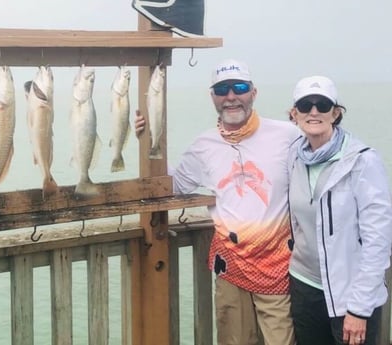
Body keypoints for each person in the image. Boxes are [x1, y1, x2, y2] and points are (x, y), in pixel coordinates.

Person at [135, 59, 298, 345]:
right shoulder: (203, 146)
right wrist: (148, 140)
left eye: (239, 87)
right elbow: (172, 186)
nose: (231, 96)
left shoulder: (288, 135)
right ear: (212, 97)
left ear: (253, 93)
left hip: (278, 271)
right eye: (222, 89)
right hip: (230, 270)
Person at [287, 75, 392, 345]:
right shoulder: (293, 157)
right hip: (304, 286)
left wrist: (359, 308)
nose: (313, 111)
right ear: (294, 114)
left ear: (335, 113)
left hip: (350, 295)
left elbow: (378, 240)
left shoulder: (362, 161)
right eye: (305, 105)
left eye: (322, 104)